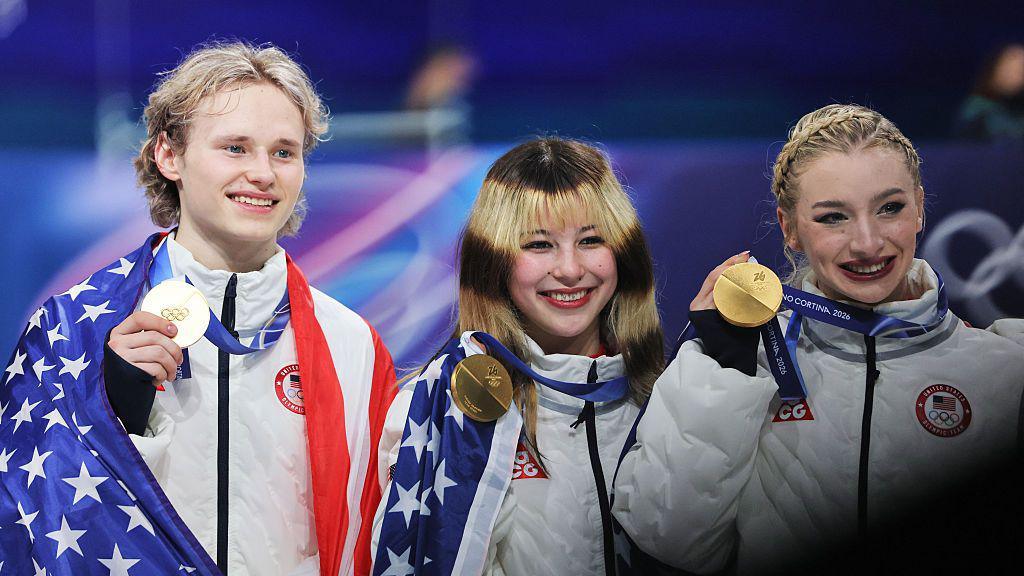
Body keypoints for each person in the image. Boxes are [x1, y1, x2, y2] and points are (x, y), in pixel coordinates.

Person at [0, 42, 396, 576]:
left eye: (284, 152)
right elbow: (30, 524)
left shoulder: (354, 345)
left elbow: (382, 533)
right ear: (169, 156)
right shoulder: (73, 329)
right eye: (235, 148)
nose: (263, 173)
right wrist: (113, 413)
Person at [612, 104, 1024, 575]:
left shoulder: (1007, 368)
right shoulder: (746, 365)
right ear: (789, 228)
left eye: (890, 208)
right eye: (833, 217)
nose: (867, 243)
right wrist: (724, 370)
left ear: (919, 209)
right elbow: (669, 541)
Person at [370, 137, 666, 575]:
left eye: (590, 240)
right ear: (494, 260)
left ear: (623, 252)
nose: (570, 270)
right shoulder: (439, 403)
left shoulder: (665, 398)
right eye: (539, 245)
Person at [954, 43, 1024, 141]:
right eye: (1011, 68)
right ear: (995, 68)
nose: (1017, 74)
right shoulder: (977, 109)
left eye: (1021, 69)